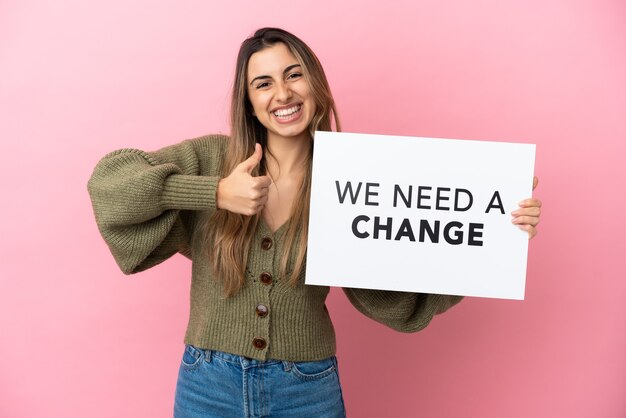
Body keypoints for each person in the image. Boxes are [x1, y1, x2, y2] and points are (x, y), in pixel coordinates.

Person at [87, 27, 542, 418]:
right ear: (248, 101)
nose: (282, 94)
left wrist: (496, 237)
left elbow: (391, 296)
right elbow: (110, 184)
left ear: (315, 84)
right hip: (207, 383)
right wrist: (215, 192)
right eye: (263, 83)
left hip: (306, 387)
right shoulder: (212, 158)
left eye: (294, 75)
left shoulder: (353, 177)